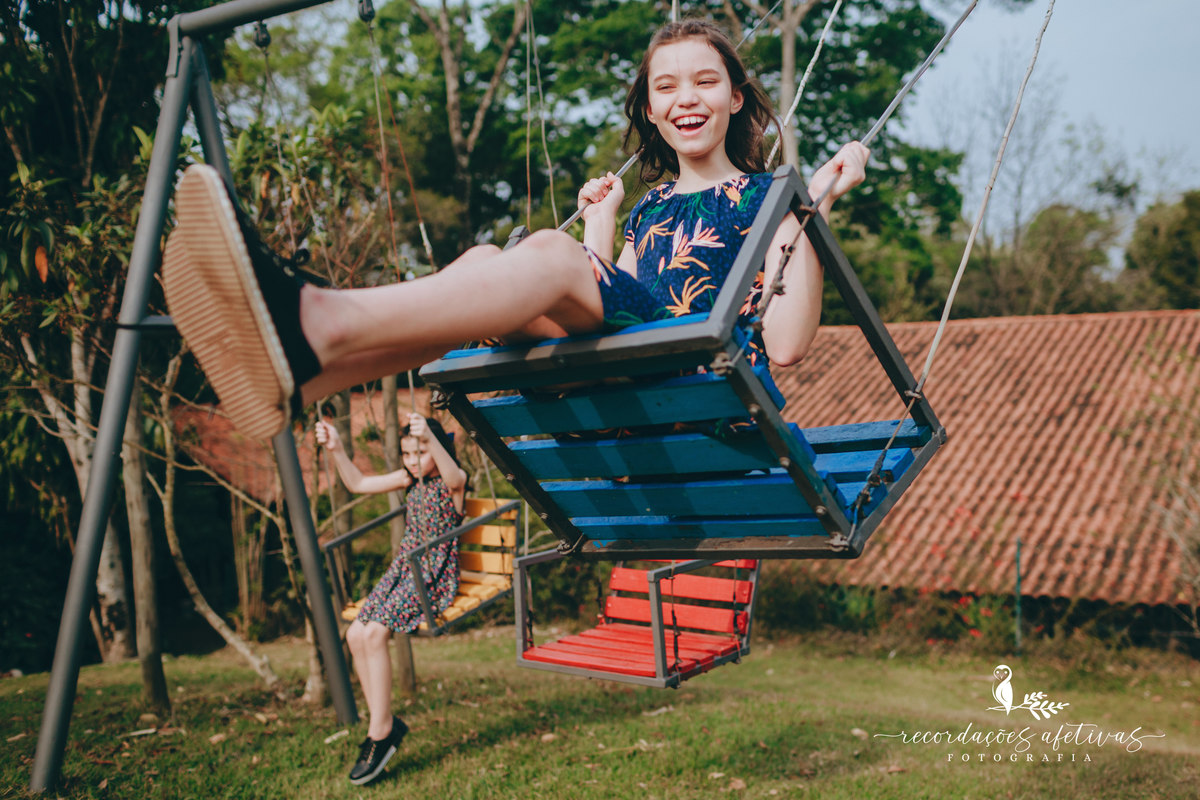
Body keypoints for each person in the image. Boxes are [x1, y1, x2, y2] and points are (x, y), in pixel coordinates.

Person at [161, 17, 869, 441]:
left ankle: (317, 315)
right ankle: (310, 379)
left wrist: (812, 209)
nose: (687, 97)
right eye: (666, 87)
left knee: (547, 255)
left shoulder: (766, 196)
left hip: (698, 384)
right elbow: (606, 297)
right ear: (649, 111)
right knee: (482, 260)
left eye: (706, 81)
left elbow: (786, 344)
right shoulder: (649, 207)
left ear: (737, 96)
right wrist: (602, 222)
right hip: (625, 369)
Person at [316, 412, 468, 785]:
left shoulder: (455, 484)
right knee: (355, 634)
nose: (413, 460)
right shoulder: (407, 478)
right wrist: (336, 448)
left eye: (420, 452)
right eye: (407, 453)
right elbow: (358, 483)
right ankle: (381, 724)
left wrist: (431, 440)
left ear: (435, 448)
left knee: (374, 634)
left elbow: (454, 474)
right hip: (403, 570)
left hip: (431, 576)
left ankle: (380, 732)